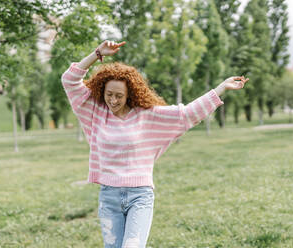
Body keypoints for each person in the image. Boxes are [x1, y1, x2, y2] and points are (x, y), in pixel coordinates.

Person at [61, 40, 249, 248]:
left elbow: (187, 114)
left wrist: (221, 88)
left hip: (139, 196)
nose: (113, 101)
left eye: (119, 96)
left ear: (129, 94)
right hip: (109, 197)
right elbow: (70, 80)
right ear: (101, 92)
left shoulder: (147, 116)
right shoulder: (94, 112)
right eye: (109, 95)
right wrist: (97, 54)